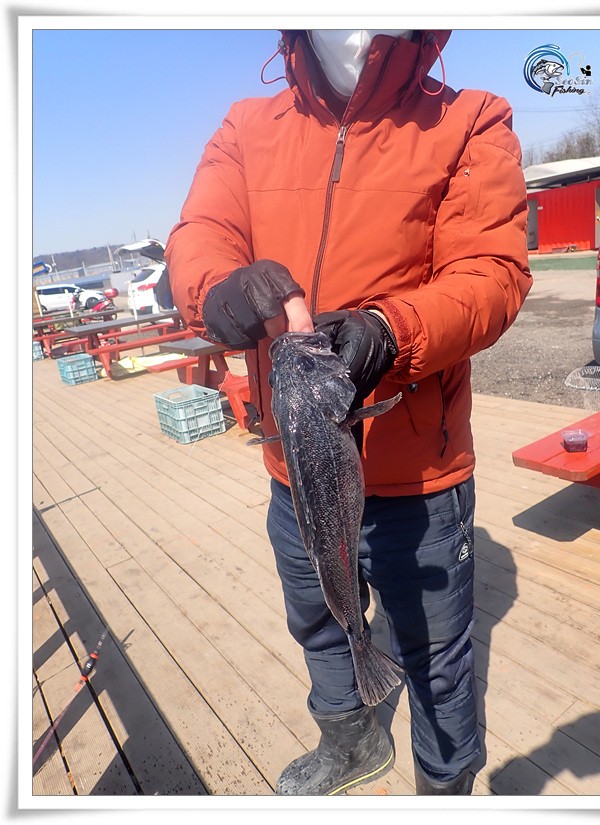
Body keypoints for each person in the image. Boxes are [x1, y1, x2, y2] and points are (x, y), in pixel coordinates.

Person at [165, 29, 532, 796]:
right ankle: (351, 741)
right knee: (321, 620)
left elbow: (493, 273)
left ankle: (446, 785)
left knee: (437, 651)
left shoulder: (471, 118)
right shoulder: (246, 126)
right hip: (293, 468)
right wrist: (219, 289)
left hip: (420, 478)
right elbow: (201, 236)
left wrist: (390, 329)